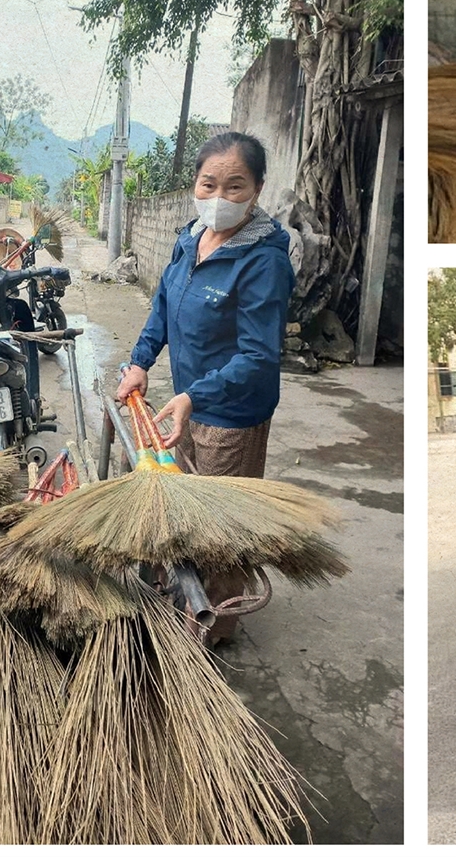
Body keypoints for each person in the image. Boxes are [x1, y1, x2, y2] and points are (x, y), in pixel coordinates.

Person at [114, 131, 295, 641]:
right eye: (208, 183)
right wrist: (140, 361)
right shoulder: (189, 238)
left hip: (230, 414)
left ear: (257, 189)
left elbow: (259, 357)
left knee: (222, 530)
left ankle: (216, 629)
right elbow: (163, 309)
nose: (219, 197)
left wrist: (196, 397)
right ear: (194, 184)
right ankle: (187, 600)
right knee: (190, 509)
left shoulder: (265, 261)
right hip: (185, 406)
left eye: (234, 186)